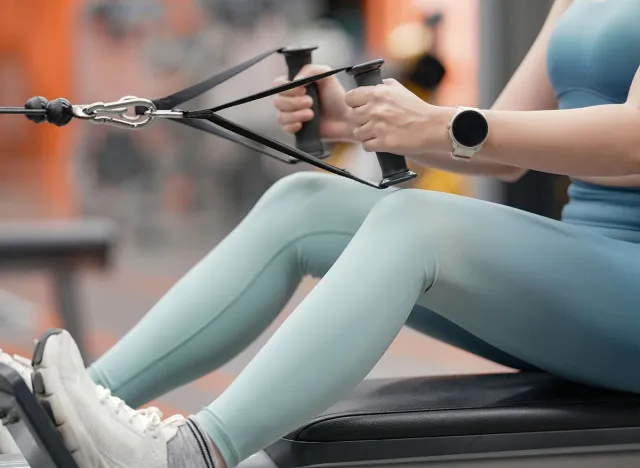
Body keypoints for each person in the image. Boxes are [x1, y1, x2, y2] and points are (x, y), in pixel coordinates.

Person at [3, 0, 640, 466]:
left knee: (417, 221)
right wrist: (356, 120)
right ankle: (53, 419)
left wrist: (437, 123)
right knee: (305, 201)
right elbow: (502, 150)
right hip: (590, 272)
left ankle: (189, 457)